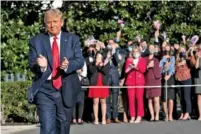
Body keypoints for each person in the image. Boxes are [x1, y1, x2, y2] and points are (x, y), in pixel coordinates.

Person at [28, 9, 84, 134]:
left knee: (63, 129)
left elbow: (80, 60)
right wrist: (41, 67)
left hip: (66, 88)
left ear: (61, 22)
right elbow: (32, 64)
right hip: (45, 90)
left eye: (55, 21)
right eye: (48, 22)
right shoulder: (35, 41)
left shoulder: (72, 39)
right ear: (45, 24)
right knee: (47, 129)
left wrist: (69, 65)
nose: (52, 25)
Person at [124, 46, 146, 123]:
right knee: (131, 98)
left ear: (139, 52)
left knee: (139, 98)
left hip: (139, 81)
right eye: (134, 51)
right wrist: (130, 67)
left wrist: (137, 68)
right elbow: (126, 71)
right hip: (130, 81)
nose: (135, 53)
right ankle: (132, 116)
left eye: (137, 51)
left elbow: (143, 70)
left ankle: (139, 115)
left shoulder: (142, 60)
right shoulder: (129, 60)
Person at [88, 52, 110, 125]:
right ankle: (96, 119)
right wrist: (96, 65)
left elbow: (106, 72)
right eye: (97, 57)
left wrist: (102, 66)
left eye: (100, 57)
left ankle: (103, 118)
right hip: (95, 84)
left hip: (103, 84)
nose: (99, 59)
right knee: (95, 102)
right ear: (95, 57)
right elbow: (91, 71)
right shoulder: (92, 63)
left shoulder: (106, 63)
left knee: (103, 101)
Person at [106, 35, 122, 124]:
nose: (111, 45)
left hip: (115, 78)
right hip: (107, 78)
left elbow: (118, 61)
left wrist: (114, 51)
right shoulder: (105, 53)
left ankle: (115, 116)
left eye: (112, 43)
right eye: (110, 43)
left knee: (115, 99)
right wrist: (107, 54)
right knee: (107, 99)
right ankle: (108, 117)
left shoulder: (117, 52)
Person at [145, 44, 162, 122]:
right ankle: (152, 116)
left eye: (152, 48)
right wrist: (147, 66)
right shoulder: (144, 59)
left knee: (156, 99)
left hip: (156, 80)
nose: (151, 49)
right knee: (149, 100)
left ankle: (157, 115)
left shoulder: (157, 58)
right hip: (148, 80)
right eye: (150, 47)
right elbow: (142, 69)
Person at [175, 46, 192, 120]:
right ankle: (182, 112)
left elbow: (192, 64)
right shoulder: (176, 59)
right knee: (181, 97)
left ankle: (187, 113)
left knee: (186, 97)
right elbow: (175, 66)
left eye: (183, 50)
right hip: (178, 79)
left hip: (186, 79)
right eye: (180, 50)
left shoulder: (187, 59)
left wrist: (189, 54)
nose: (182, 52)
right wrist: (180, 63)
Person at [159, 44, 175, 122]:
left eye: (168, 49)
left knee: (170, 98)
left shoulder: (172, 58)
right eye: (166, 49)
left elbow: (172, 68)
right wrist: (163, 68)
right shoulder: (162, 58)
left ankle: (170, 115)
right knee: (164, 99)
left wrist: (169, 75)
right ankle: (166, 115)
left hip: (170, 78)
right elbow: (160, 68)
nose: (167, 51)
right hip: (164, 77)